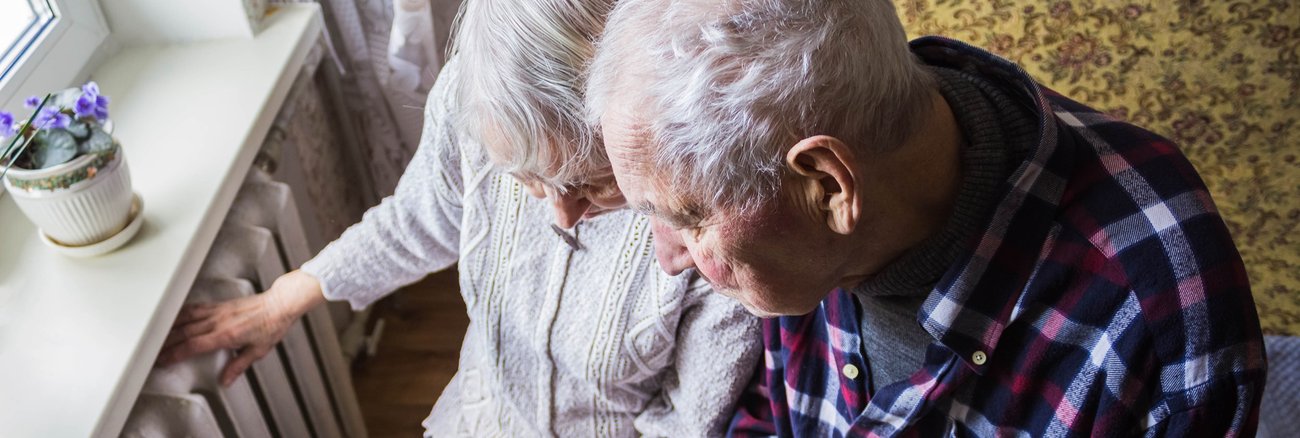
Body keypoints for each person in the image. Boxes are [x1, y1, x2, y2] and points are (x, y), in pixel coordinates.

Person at [583, 0, 1267, 435]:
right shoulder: (801, 183)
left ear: (829, 187)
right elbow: (765, 408)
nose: (670, 254)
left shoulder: (1156, 303)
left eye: (690, 216)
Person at [158, 0, 761, 436]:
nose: (559, 214)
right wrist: (284, 297)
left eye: (589, 184)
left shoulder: (708, 221)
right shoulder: (474, 100)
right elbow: (422, 217)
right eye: (526, 180)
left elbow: (683, 423)